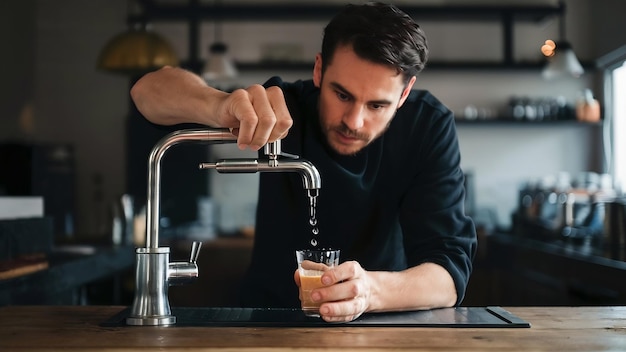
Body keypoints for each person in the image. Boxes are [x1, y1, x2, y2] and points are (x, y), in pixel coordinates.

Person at [130, 2, 477, 323]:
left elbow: (448, 276)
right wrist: (219, 105)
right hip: (267, 320)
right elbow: (146, 91)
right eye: (342, 95)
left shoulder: (427, 127)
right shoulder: (281, 109)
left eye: (377, 105)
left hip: (380, 324)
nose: (354, 121)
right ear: (319, 70)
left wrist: (368, 292)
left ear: (403, 94)